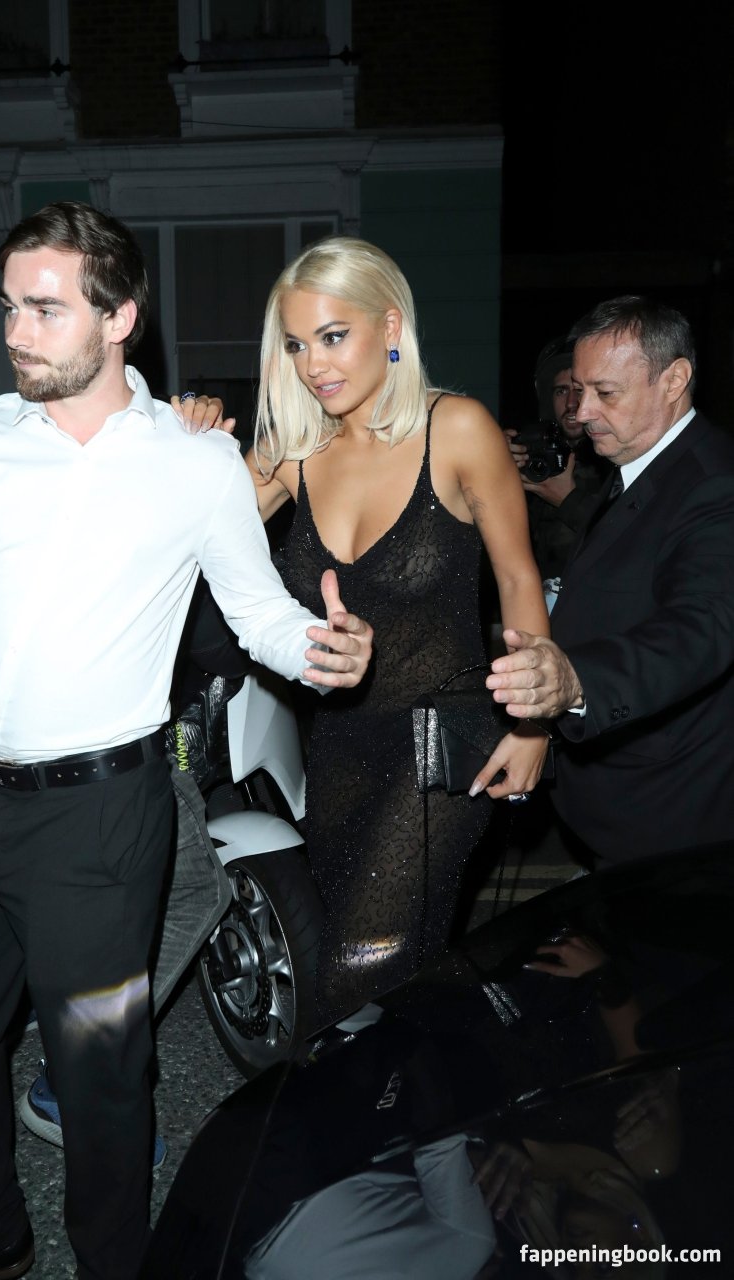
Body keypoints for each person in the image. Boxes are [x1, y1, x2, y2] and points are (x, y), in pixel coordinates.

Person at [0, 202, 374, 1280]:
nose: (16, 332)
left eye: (45, 309)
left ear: (119, 319)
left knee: (96, 1065)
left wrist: (321, 650)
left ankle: (117, 1266)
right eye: (10, 307)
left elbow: (259, 614)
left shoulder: (192, 463)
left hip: (103, 820)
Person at [241, 236, 550, 1025]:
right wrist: (179, 436)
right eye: (295, 345)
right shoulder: (293, 450)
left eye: (331, 336)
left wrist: (532, 724)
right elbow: (186, 530)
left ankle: (349, 1102)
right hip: (339, 741)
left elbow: (517, 579)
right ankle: (441, 1096)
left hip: (445, 737)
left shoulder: (457, 428)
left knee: (359, 962)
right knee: (393, 970)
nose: (313, 364)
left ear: (388, 326)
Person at [485, 295, 734, 863]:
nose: (581, 413)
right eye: (578, 390)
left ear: (674, 381)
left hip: (670, 820)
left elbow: (703, 627)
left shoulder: (714, 484)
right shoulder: (636, 465)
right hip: (613, 803)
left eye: (606, 393)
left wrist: (576, 682)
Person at [505, 337, 611, 591]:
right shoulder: (530, 452)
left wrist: (567, 499)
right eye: (561, 391)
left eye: (579, 390)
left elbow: (633, 539)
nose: (571, 403)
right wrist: (492, 466)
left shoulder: (617, 458)